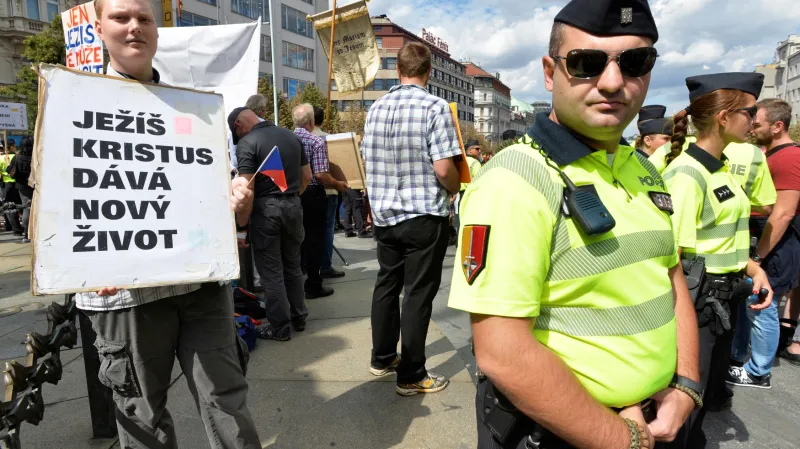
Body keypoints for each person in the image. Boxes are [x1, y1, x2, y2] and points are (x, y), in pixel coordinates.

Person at [449, 1, 702, 448]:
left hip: (657, 419)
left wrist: (686, 386)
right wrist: (621, 438)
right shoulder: (515, 179)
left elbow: (671, 274)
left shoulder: (642, 168)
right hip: (567, 433)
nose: (612, 82)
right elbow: (501, 352)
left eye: (634, 62)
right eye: (586, 63)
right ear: (550, 73)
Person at [76, 0, 262, 446]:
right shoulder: (73, 104)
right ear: (98, 26)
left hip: (200, 286)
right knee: (143, 420)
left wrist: (239, 202)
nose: (135, 27)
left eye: (144, 18)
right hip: (125, 296)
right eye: (122, 17)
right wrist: (81, 262)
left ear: (157, 30)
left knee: (228, 405)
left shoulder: (193, 112)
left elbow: (228, 209)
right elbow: (58, 208)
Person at [661, 72, 773, 448]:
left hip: (725, 301)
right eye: (750, 111)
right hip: (698, 307)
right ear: (724, 117)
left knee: (703, 400)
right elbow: (670, 259)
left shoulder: (719, 166)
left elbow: (726, 235)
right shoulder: (687, 174)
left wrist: (754, 268)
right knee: (684, 407)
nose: (755, 120)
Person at [363, 41, 461, 396]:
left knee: (387, 285)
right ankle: (412, 373)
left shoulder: (376, 109)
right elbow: (444, 167)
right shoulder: (435, 108)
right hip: (423, 213)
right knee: (418, 293)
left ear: (398, 69)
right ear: (429, 72)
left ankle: (382, 357)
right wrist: (454, 187)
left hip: (386, 214)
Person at [729, 98, 800, 386]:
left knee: (763, 305)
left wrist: (757, 257)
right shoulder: (767, 154)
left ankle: (759, 372)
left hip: (776, 240)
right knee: (753, 300)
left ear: (777, 126)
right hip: (765, 236)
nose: (751, 127)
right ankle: (742, 358)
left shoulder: (788, 157)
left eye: (756, 123)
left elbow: (782, 213)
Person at [229, 106, 311, 341]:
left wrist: (242, 229)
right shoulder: (292, 136)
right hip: (294, 206)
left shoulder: (247, 142)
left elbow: (246, 191)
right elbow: (307, 176)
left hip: (265, 211)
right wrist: (291, 198)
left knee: (271, 273)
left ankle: (280, 327)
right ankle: (299, 316)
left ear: (238, 126)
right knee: (293, 266)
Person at [293, 103, 348, 298]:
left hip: (291, 196)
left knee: (296, 241)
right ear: (311, 121)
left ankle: (296, 283)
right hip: (313, 194)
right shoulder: (316, 141)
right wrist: (338, 184)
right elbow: (321, 174)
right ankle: (314, 285)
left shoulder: (286, 139)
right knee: (314, 240)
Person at [312, 105, 346, 278]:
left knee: (310, 230)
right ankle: (325, 265)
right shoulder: (327, 139)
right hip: (328, 190)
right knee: (326, 230)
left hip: (308, 191)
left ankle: (309, 266)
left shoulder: (298, 137)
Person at [11, 136, 33, 243]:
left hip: (23, 187)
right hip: (36, 185)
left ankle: (27, 233)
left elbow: (10, 170)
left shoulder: (17, 157)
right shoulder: (38, 156)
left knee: (27, 208)